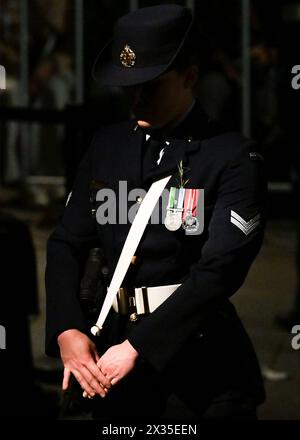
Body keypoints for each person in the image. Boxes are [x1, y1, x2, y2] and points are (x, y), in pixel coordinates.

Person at [45, 4, 266, 420]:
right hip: (109, 358)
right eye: (129, 86)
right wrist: (66, 328)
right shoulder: (107, 146)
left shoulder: (232, 156)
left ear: (189, 78)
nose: (137, 97)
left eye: (151, 85)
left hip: (198, 367)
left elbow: (219, 270)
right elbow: (66, 244)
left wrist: (140, 346)